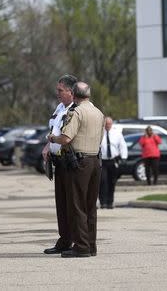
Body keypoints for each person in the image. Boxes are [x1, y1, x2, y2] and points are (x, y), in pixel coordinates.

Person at [47, 81, 104, 258]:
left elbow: (66, 138)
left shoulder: (76, 112)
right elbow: (101, 137)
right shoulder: (98, 112)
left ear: (74, 94)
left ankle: (81, 246)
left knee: (77, 205)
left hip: (79, 163)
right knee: (90, 206)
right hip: (95, 160)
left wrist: (52, 138)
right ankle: (91, 245)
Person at [42, 74, 77, 255]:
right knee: (61, 204)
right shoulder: (59, 107)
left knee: (72, 204)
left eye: (60, 90)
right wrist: (48, 146)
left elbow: (69, 136)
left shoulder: (76, 110)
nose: (57, 94)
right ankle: (64, 240)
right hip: (58, 162)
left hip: (71, 162)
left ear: (71, 92)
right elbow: (54, 130)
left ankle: (74, 240)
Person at [99, 116, 128, 209]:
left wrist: (124, 157)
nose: (108, 125)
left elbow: (123, 146)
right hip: (102, 161)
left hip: (113, 160)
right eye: (106, 124)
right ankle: (102, 202)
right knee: (102, 181)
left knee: (112, 182)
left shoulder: (117, 134)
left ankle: (110, 202)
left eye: (109, 124)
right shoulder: (99, 133)